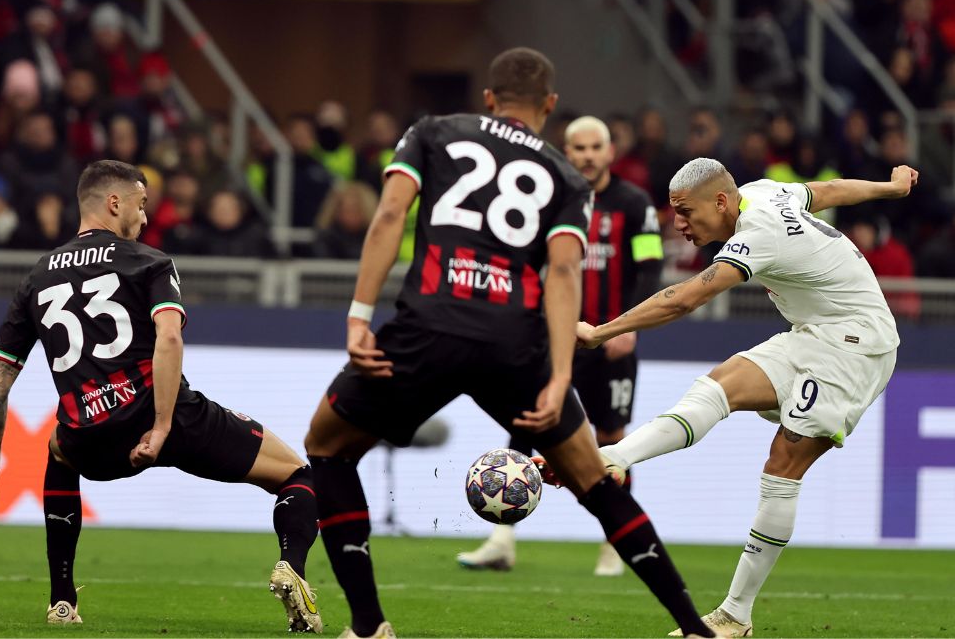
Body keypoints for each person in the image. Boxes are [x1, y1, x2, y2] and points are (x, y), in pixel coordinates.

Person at [303, 47, 715, 639]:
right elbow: (566, 274)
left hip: (427, 327)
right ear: (549, 105)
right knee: (595, 481)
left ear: (489, 98)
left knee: (328, 447)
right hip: (512, 342)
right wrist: (558, 376)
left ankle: (368, 626)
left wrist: (358, 317)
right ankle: (693, 629)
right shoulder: (567, 175)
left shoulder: (433, 133)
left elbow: (389, 216)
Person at [0, 160, 323, 634]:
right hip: (166, 419)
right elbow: (168, 340)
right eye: (141, 203)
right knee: (296, 473)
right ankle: (290, 566)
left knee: (59, 450)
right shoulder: (149, 261)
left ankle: (62, 601)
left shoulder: (36, 279)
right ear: (114, 203)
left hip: (90, 439)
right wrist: (163, 426)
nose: (145, 217)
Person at [571, 157, 915, 637]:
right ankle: (612, 459)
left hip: (856, 346)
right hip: (811, 332)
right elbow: (831, 189)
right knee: (718, 385)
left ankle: (736, 614)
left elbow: (686, 298)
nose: (680, 224)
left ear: (719, 201)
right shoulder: (764, 190)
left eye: (687, 213)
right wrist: (891, 187)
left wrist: (602, 332)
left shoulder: (759, 231)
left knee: (783, 462)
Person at [456, 115, 663, 577]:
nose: (588, 155)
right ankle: (502, 539)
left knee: (611, 441)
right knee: (526, 423)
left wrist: (627, 327)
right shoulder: (547, 199)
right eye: (579, 148)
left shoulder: (634, 203)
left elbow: (650, 268)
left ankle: (615, 541)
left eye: (596, 147)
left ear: (610, 152)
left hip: (610, 342)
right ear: (566, 153)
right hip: (553, 339)